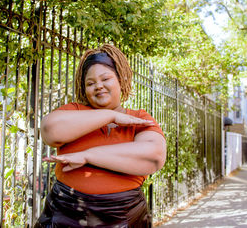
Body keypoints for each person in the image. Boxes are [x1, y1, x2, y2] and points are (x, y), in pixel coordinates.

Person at [37, 44, 166, 227]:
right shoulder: (74, 111)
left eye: (105, 78)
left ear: (121, 80)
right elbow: (50, 131)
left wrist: (87, 156)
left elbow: (153, 157)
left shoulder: (139, 118)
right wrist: (110, 115)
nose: (98, 86)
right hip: (67, 213)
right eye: (90, 83)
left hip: (124, 215)